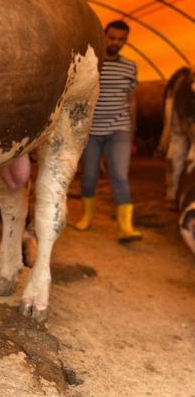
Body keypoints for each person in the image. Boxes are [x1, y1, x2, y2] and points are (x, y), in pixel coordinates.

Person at [73, 19, 142, 242]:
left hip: (119, 128)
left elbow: (131, 100)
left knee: (119, 176)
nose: (116, 43)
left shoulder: (130, 66)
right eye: (112, 38)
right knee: (89, 176)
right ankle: (86, 217)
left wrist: (132, 130)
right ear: (104, 35)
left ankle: (126, 227)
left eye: (121, 40)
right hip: (91, 130)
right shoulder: (92, 62)